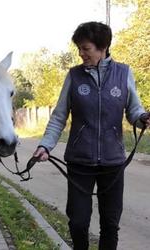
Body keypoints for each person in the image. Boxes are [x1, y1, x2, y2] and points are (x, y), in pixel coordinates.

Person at [32, 22, 150, 250]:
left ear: (102, 47)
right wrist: (45, 146)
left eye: (85, 48)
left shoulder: (124, 73)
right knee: (77, 223)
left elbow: (133, 110)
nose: (80, 53)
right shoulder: (74, 76)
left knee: (110, 225)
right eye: (79, 48)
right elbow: (58, 117)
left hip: (113, 162)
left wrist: (142, 118)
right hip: (80, 161)